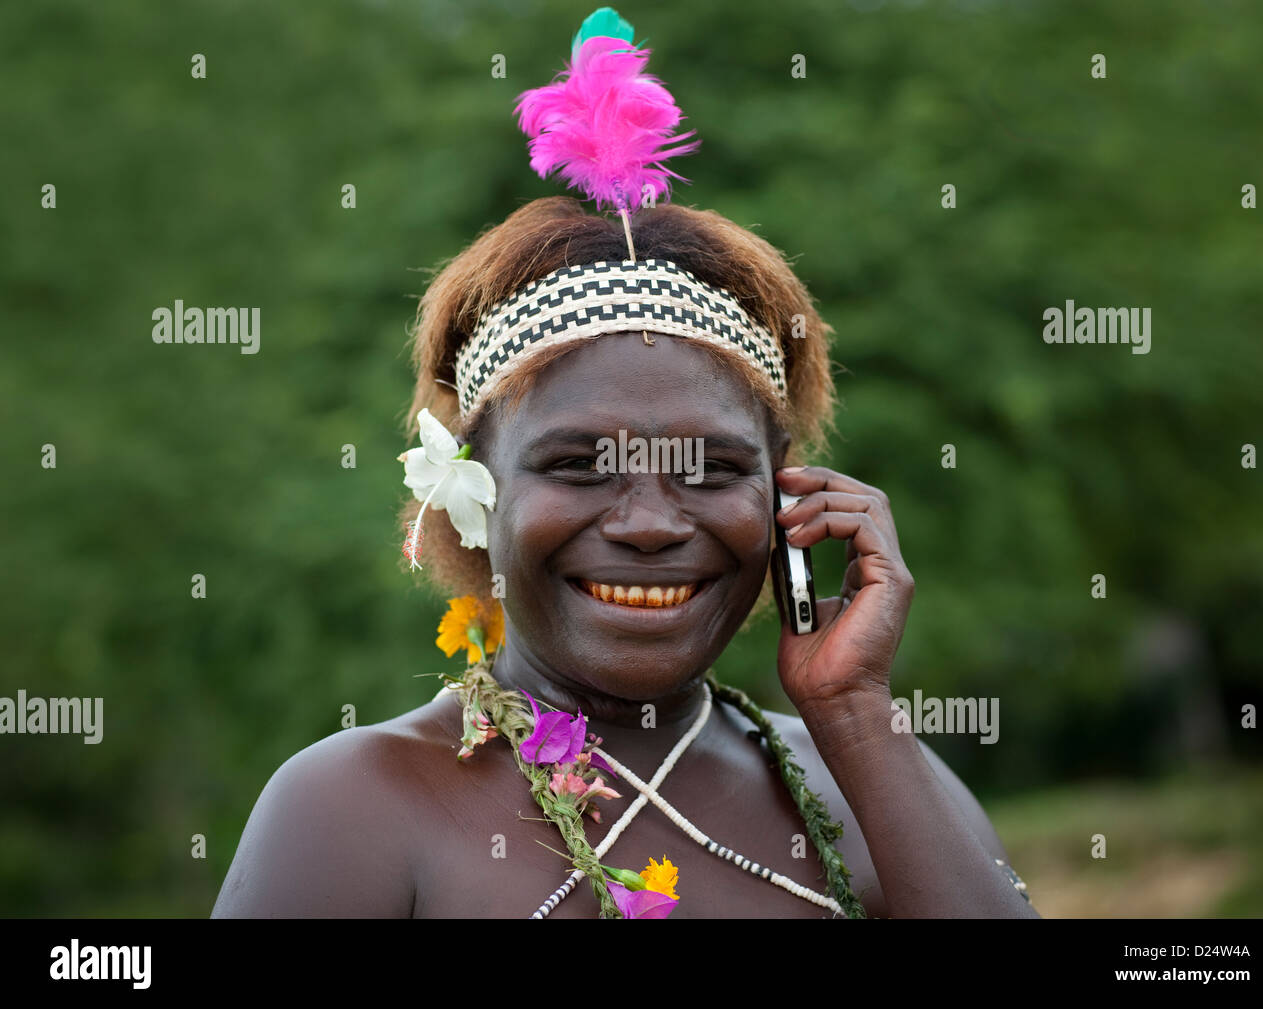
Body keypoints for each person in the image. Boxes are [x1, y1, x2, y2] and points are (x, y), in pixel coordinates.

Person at [212, 8, 1038, 919]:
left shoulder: (867, 782)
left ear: (788, 497)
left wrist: (852, 711)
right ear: (473, 494)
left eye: (710, 470)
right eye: (577, 466)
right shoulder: (356, 805)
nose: (649, 523)